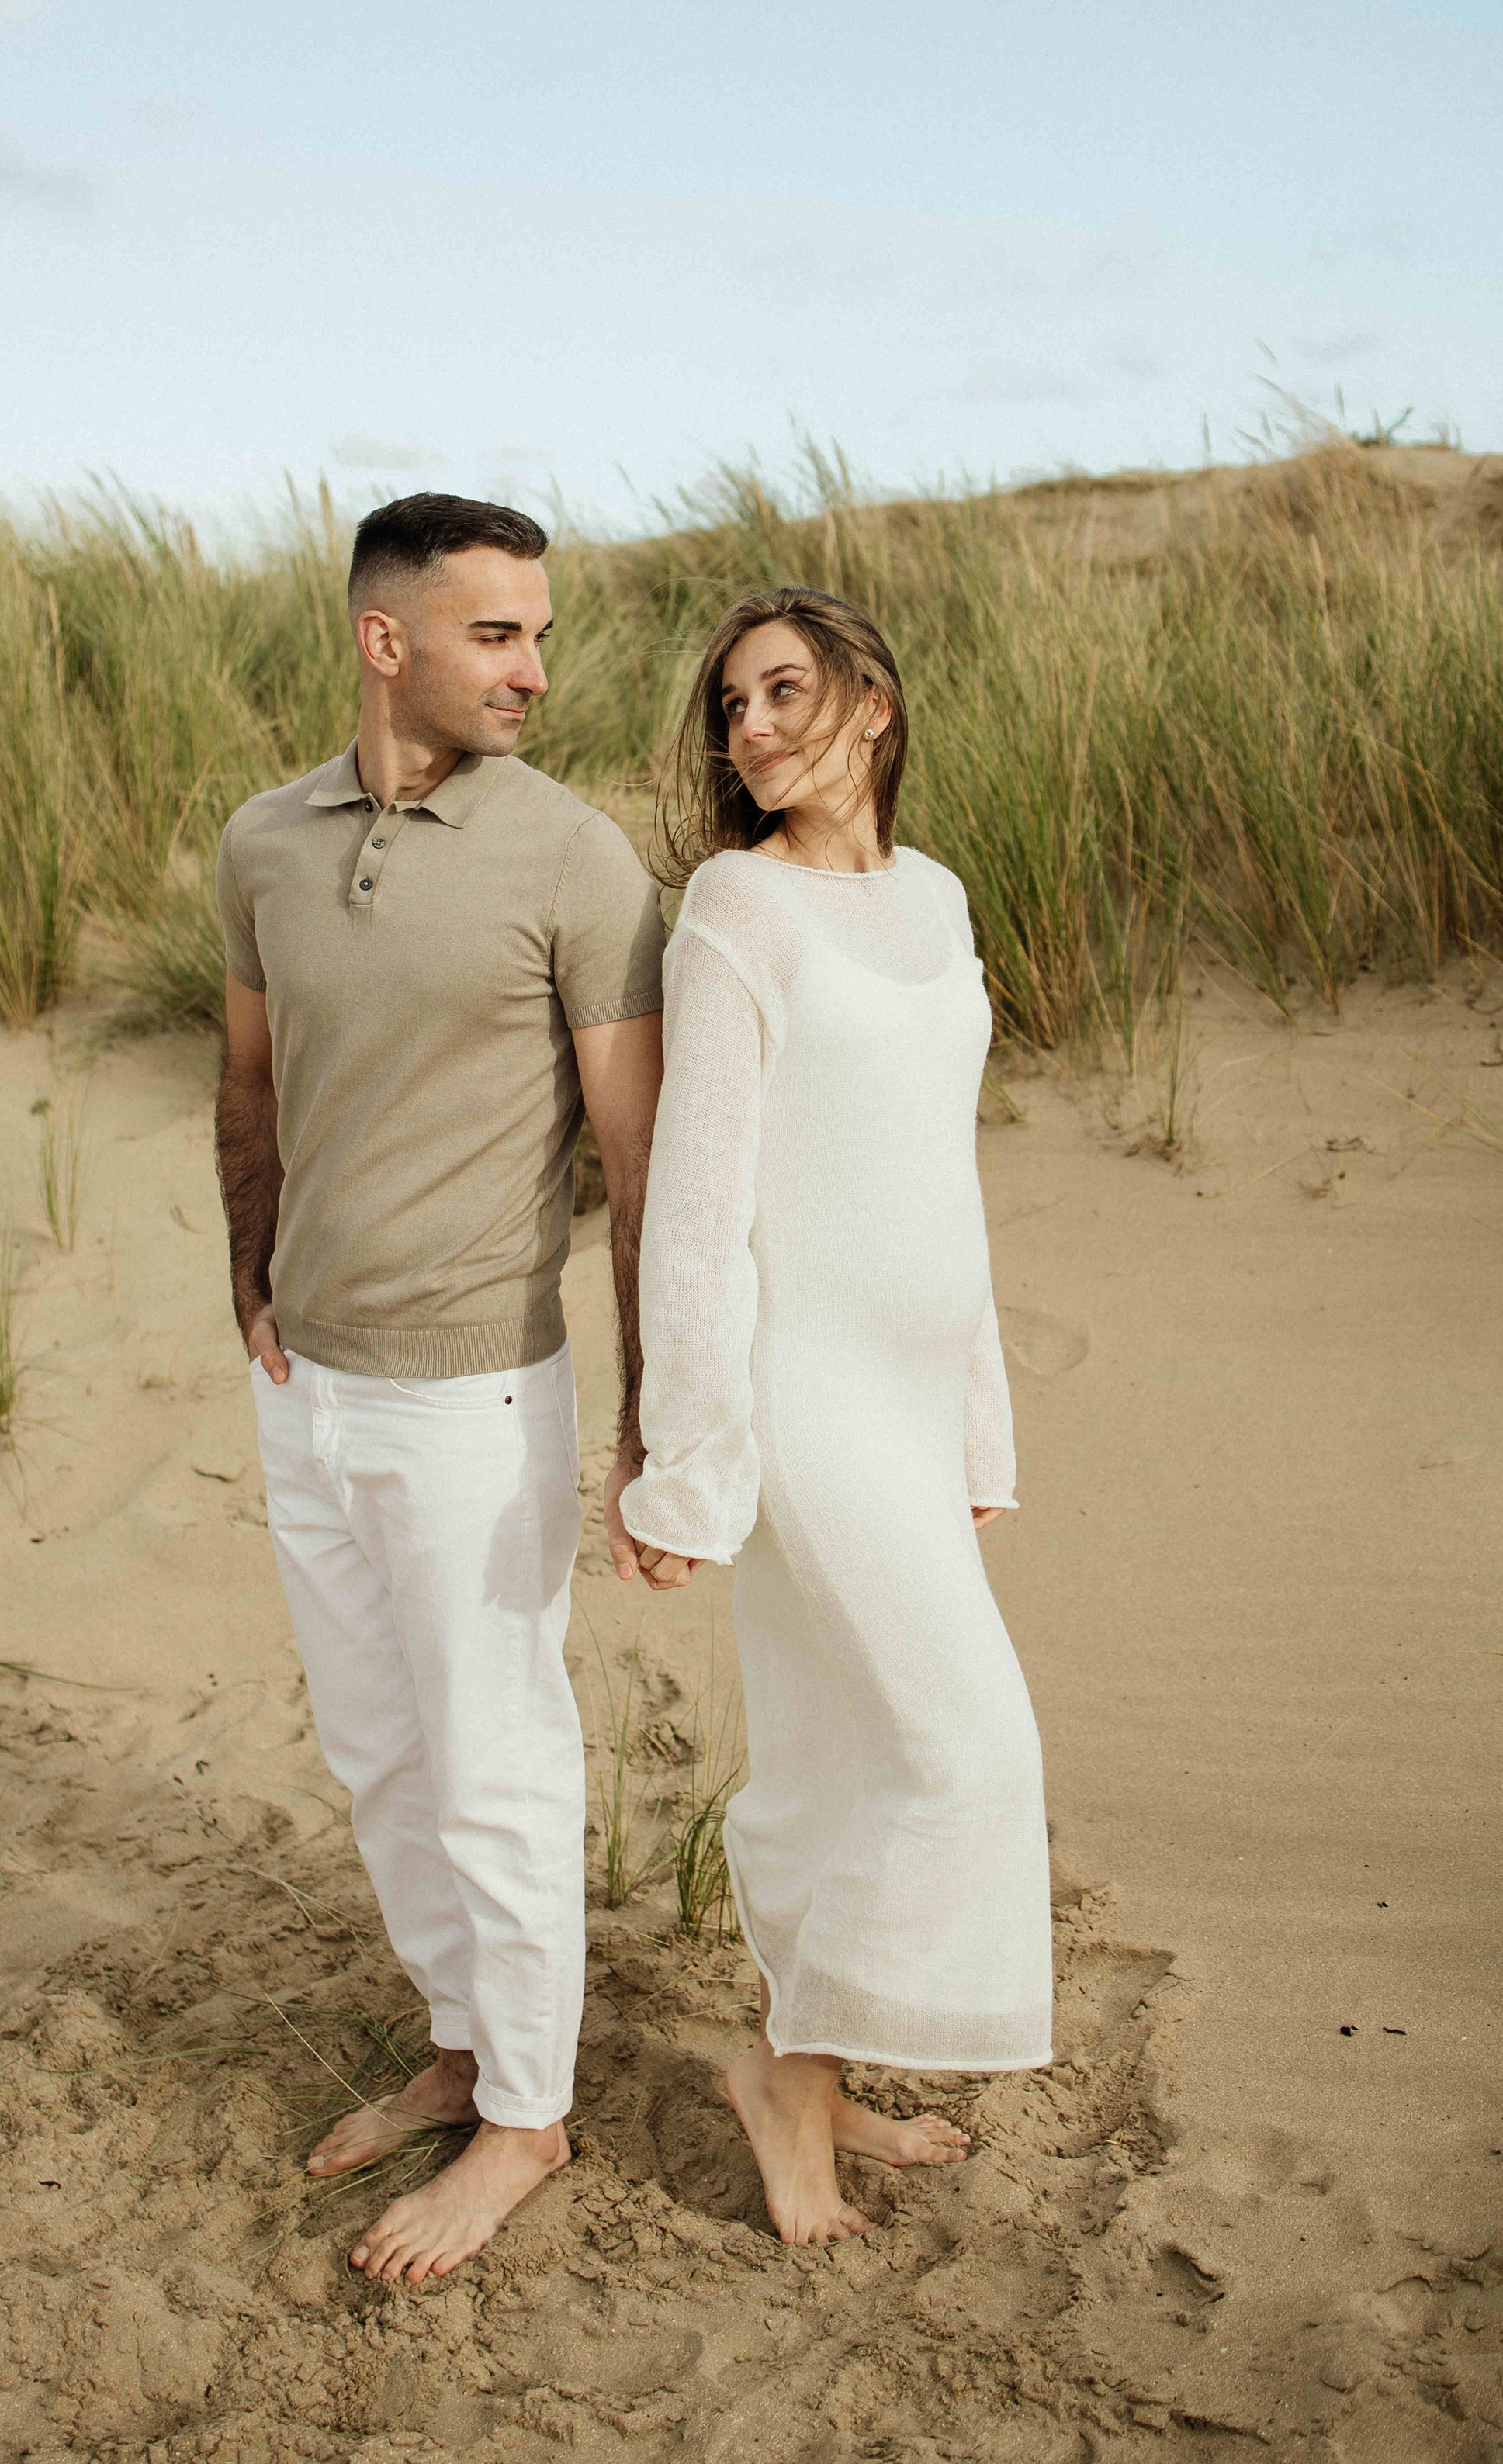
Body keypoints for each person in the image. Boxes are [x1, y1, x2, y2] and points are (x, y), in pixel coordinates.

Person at [213, 493, 665, 2287]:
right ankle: (464, 2040)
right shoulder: (264, 839)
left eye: (541, 632)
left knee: (493, 1762)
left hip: (475, 1397)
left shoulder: (576, 857)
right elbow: (248, 1081)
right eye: (498, 633)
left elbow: (636, 1164)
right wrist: (243, 1265)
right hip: (302, 1383)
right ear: (383, 638)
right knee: (378, 1750)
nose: (534, 667)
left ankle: (530, 2118)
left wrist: (648, 1418)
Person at [608, 584, 1052, 2247]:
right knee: (966, 1747)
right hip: (804, 1402)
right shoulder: (734, 907)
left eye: (783, 691)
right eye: (730, 707)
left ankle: (824, 2057)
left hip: (910, 1389)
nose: (752, 727)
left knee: (857, 1750)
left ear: (870, 701)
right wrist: (687, 1467)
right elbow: (695, 1208)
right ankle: (784, 2076)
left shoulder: (931, 899)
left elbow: (945, 1183)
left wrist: (979, 1426)